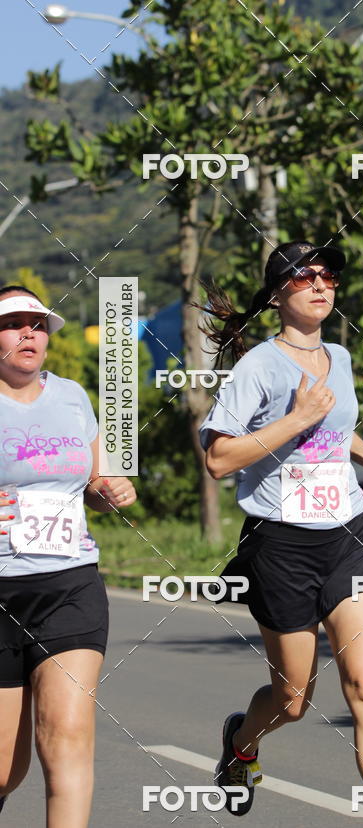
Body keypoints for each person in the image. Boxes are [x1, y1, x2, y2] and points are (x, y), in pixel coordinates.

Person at [199, 241, 363, 828]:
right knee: (293, 701)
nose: (319, 284)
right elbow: (218, 459)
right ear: (276, 295)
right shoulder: (258, 367)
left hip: (348, 533)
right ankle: (241, 743)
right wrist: (295, 418)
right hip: (282, 545)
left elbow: (333, 431)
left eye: (328, 275)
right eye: (302, 276)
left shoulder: (339, 357)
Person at [0, 285, 136, 826]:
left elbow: (97, 479)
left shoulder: (75, 396)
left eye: (38, 323)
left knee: (67, 741)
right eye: (14, 323)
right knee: (6, 768)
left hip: (70, 587)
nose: (30, 332)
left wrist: (109, 492)